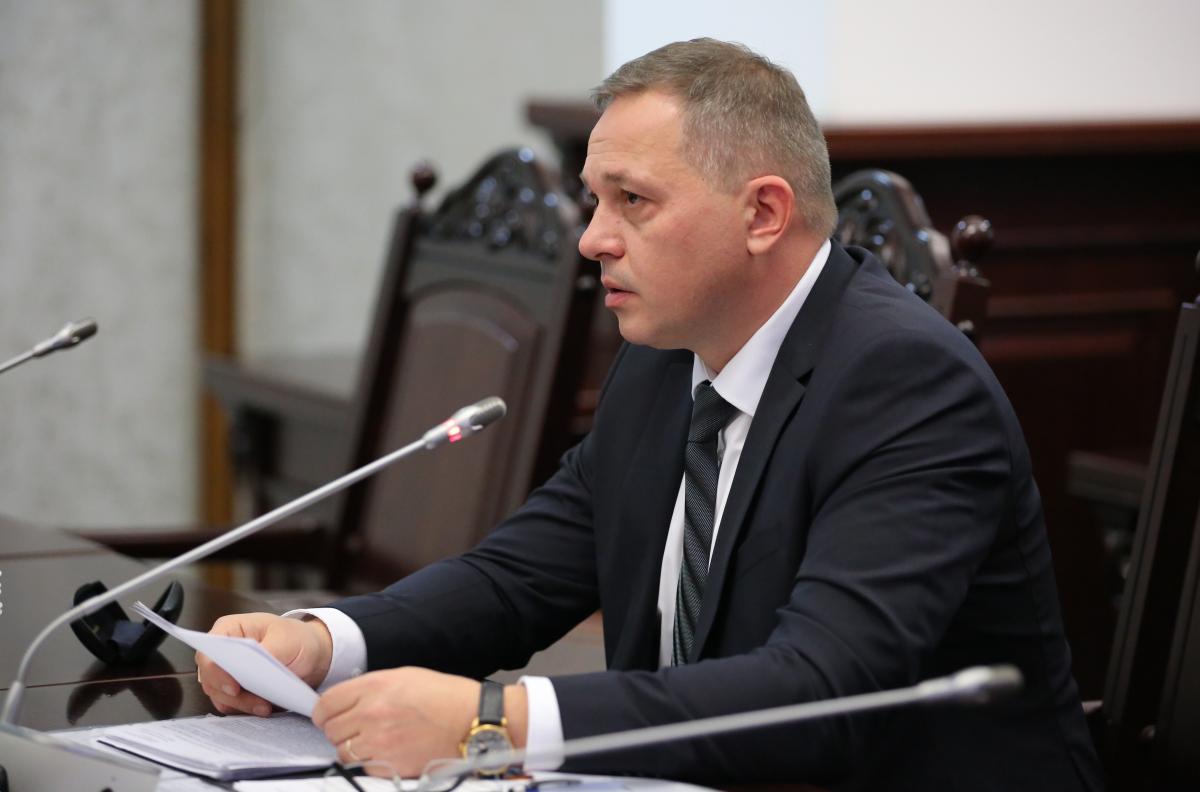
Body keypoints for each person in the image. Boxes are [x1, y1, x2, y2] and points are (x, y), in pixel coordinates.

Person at [197, 38, 1103, 790]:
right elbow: (519, 580)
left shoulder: (908, 383)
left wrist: (493, 719)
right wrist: (323, 642)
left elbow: (826, 691)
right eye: (596, 200)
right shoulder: (665, 361)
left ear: (763, 214)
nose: (594, 238)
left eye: (632, 200)